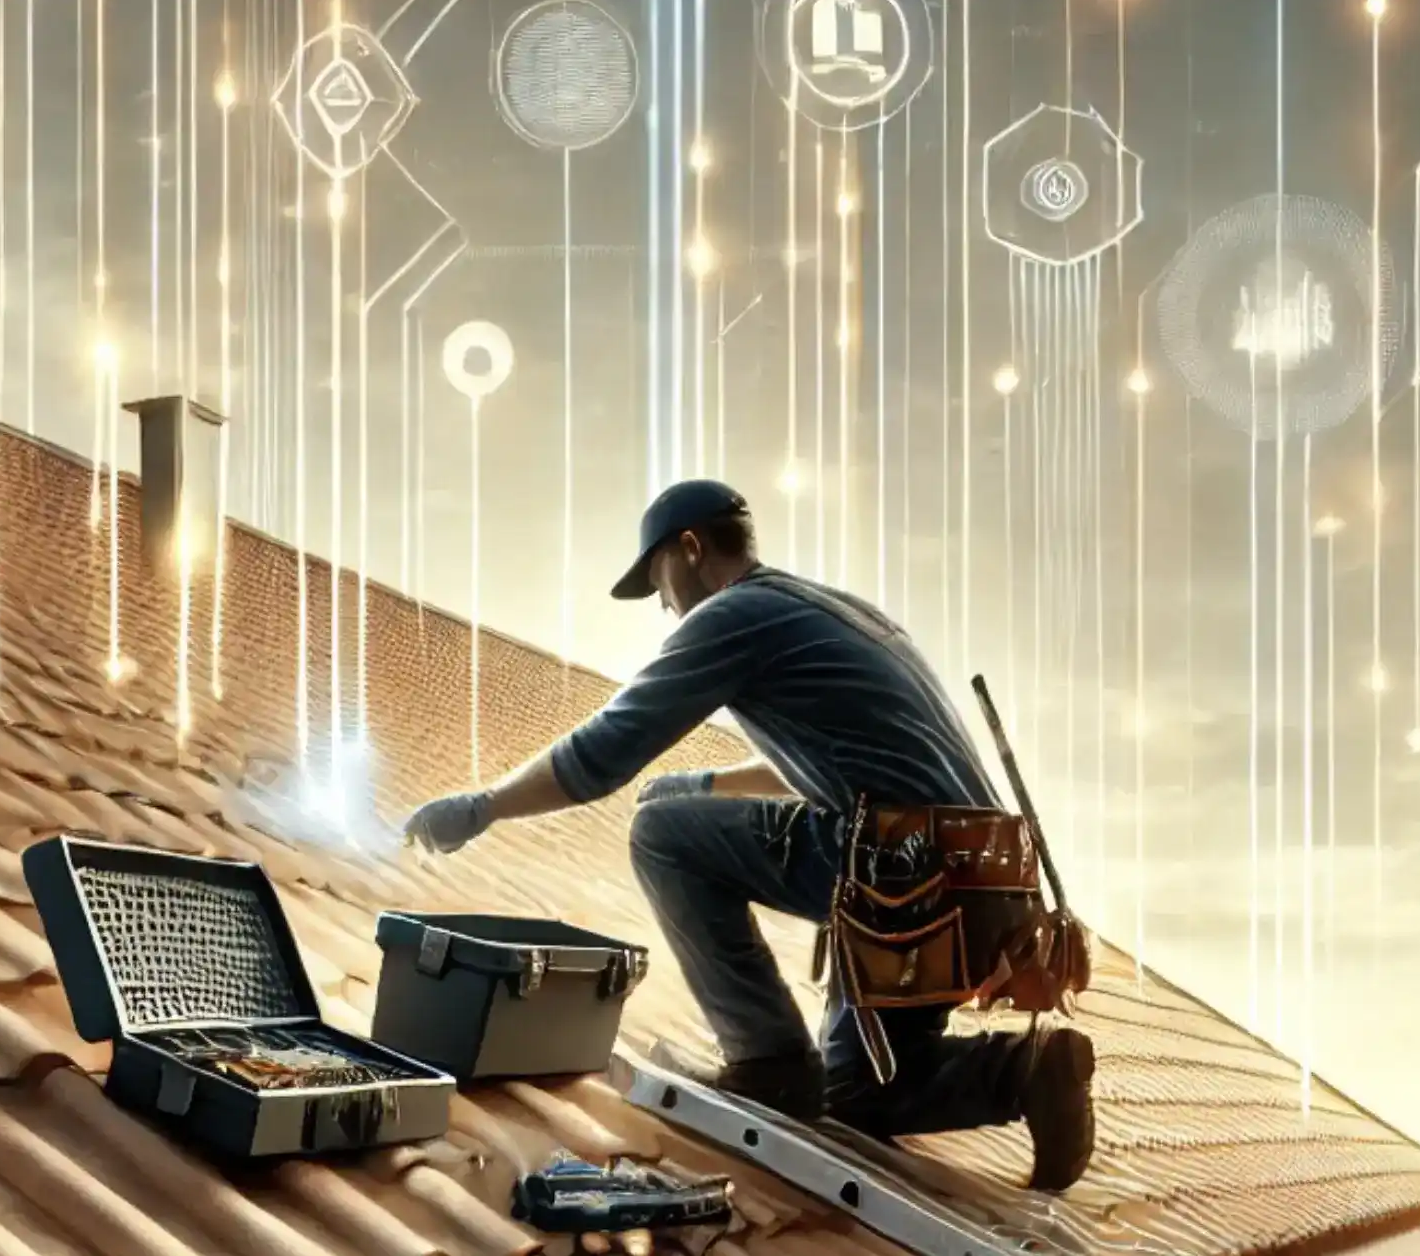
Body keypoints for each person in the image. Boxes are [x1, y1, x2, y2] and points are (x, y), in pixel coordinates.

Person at [403, 479, 1096, 1192]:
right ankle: (1029, 1071)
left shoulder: (736, 614)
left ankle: (769, 1063)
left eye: (659, 582)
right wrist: (705, 785)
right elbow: (824, 754)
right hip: (984, 889)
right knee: (860, 1093)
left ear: (692, 549)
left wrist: (483, 806)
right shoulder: (837, 612)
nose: (665, 606)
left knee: (660, 834)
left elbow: (601, 755)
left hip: (903, 875)